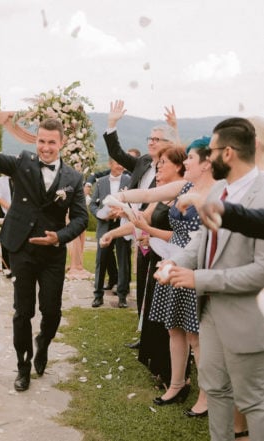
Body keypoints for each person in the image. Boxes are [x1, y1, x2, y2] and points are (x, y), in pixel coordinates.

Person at [164, 117, 264, 440]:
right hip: (209, 314)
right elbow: (200, 244)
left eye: (212, 151)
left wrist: (199, 279)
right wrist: (173, 263)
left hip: (248, 318)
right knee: (216, 390)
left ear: (229, 153)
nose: (207, 158)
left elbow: (261, 271)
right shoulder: (219, 189)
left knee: (253, 401)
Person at [0, 117, 89, 392]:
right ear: (36, 141)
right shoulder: (22, 162)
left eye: (51, 142)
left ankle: (43, 343)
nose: (46, 147)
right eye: (41, 141)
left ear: (62, 143)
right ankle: (23, 366)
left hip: (52, 253)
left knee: (51, 311)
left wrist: (59, 237)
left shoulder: (73, 179)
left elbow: (80, 219)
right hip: (22, 248)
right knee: (22, 311)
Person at [117, 138, 215, 417]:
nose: (186, 163)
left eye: (191, 159)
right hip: (170, 262)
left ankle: (206, 395)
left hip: (193, 267)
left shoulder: (216, 193)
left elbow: (201, 239)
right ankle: (176, 383)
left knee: (196, 336)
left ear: (207, 163)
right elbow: (148, 195)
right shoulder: (184, 186)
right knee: (174, 328)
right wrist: (119, 199)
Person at [101, 146, 186, 387]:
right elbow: (143, 220)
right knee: (155, 317)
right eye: (157, 165)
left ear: (179, 166)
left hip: (176, 262)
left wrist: (147, 230)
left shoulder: (184, 193)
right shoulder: (161, 194)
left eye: (164, 164)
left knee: (173, 322)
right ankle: (160, 367)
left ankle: (176, 375)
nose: (158, 168)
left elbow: (182, 234)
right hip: (156, 260)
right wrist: (116, 231)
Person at [104, 100, 178, 349]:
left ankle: (157, 336)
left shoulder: (173, 173)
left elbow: (152, 199)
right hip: (136, 227)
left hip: (157, 229)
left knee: (156, 283)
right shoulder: (143, 162)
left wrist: (175, 129)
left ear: (169, 145)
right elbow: (117, 154)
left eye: (158, 139)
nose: (151, 141)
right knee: (142, 280)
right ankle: (144, 332)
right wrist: (112, 125)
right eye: (150, 137)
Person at [89, 158, 131, 308]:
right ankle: (98, 295)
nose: (120, 165)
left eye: (121, 163)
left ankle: (122, 296)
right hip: (105, 225)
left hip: (122, 225)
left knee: (123, 261)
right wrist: (101, 214)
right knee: (101, 260)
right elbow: (93, 203)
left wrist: (123, 212)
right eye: (117, 163)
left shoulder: (129, 180)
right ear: (110, 164)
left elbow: (134, 202)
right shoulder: (101, 182)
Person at [0, 174, 13, 275]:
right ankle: (6, 268)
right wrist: (11, 208)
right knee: (5, 240)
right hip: (6, 212)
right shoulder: (1, 180)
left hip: (21, 213)